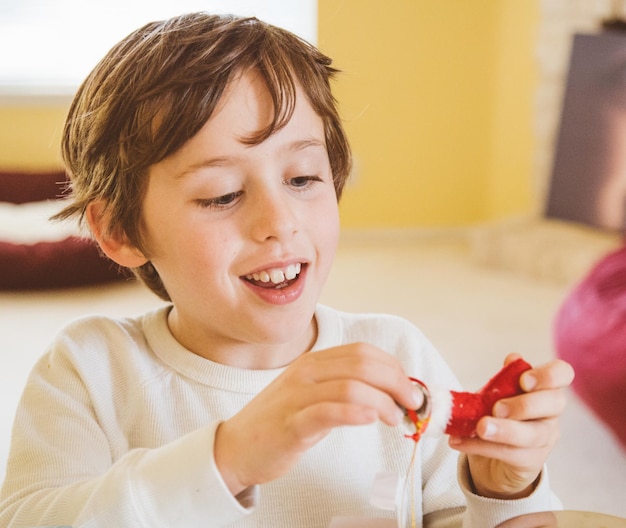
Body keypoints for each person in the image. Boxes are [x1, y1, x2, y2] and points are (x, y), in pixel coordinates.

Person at [0, 12, 574, 528]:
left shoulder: (397, 356)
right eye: (222, 194)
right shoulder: (88, 371)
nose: (279, 221)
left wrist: (504, 494)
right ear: (120, 231)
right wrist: (229, 457)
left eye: (301, 179)